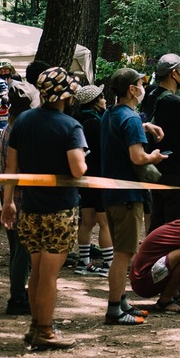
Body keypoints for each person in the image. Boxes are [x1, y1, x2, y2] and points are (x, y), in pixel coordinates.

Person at [1, 67, 87, 350]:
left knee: (37, 271)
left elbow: (11, 168)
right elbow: (78, 168)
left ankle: (35, 326)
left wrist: (8, 202)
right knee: (49, 275)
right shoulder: (70, 126)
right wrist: (84, 159)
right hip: (60, 210)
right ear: (67, 95)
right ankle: (46, 331)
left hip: (30, 207)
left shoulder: (23, 120)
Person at [100, 67, 167, 326]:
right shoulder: (129, 119)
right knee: (123, 254)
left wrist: (144, 125)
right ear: (131, 89)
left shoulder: (111, 114)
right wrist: (156, 157)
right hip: (127, 195)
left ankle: (122, 300)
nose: (144, 88)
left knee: (122, 251)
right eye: (141, 83)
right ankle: (114, 309)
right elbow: (138, 157)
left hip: (112, 194)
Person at [142, 53, 180, 230]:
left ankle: (156, 256)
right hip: (177, 168)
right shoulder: (176, 102)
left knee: (158, 219)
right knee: (177, 222)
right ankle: (171, 258)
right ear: (174, 73)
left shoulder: (150, 95)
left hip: (155, 167)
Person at [0, 81, 34, 315]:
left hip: (10, 195)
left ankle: (18, 294)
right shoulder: (21, 128)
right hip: (18, 198)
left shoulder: (12, 125)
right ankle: (18, 298)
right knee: (22, 252)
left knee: (18, 250)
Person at [71, 84, 112, 277]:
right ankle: (110, 264)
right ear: (95, 102)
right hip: (99, 177)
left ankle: (84, 262)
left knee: (87, 221)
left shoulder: (77, 120)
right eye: (102, 97)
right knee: (105, 222)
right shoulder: (95, 123)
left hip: (85, 178)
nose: (105, 100)